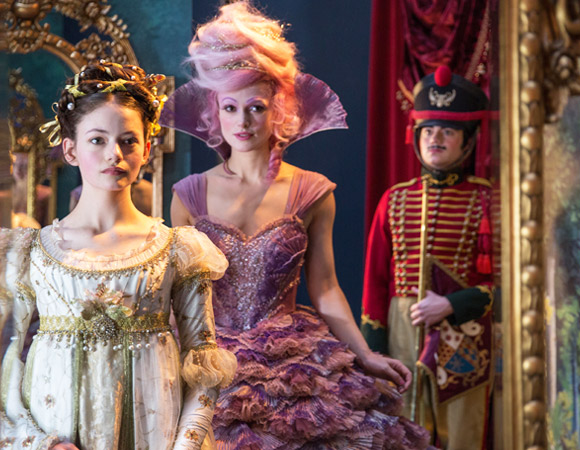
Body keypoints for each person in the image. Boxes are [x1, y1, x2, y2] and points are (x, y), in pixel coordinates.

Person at [162, 2, 431, 449]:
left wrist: (365, 354)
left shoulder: (313, 191)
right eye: (230, 107)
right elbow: (179, 300)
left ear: (279, 109)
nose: (243, 121)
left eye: (256, 107)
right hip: (211, 363)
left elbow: (325, 289)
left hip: (293, 365)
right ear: (214, 111)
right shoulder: (188, 195)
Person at [0, 61, 237, 450]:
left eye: (128, 141)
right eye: (98, 140)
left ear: (146, 149)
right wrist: (40, 444)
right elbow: (0, 367)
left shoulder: (178, 249)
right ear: (70, 150)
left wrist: (185, 446)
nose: (115, 154)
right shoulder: (30, 253)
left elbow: (203, 371)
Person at [361, 65, 494, 449]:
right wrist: (374, 353)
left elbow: (506, 284)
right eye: (428, 130)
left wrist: (453, 304)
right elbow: (375, 284)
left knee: (462, 434)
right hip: (402, 329)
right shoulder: (394, 200)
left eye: (448, 131)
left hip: (466, 336)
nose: (435, 138)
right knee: (404, 431)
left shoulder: (488, 200)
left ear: (467, 141)